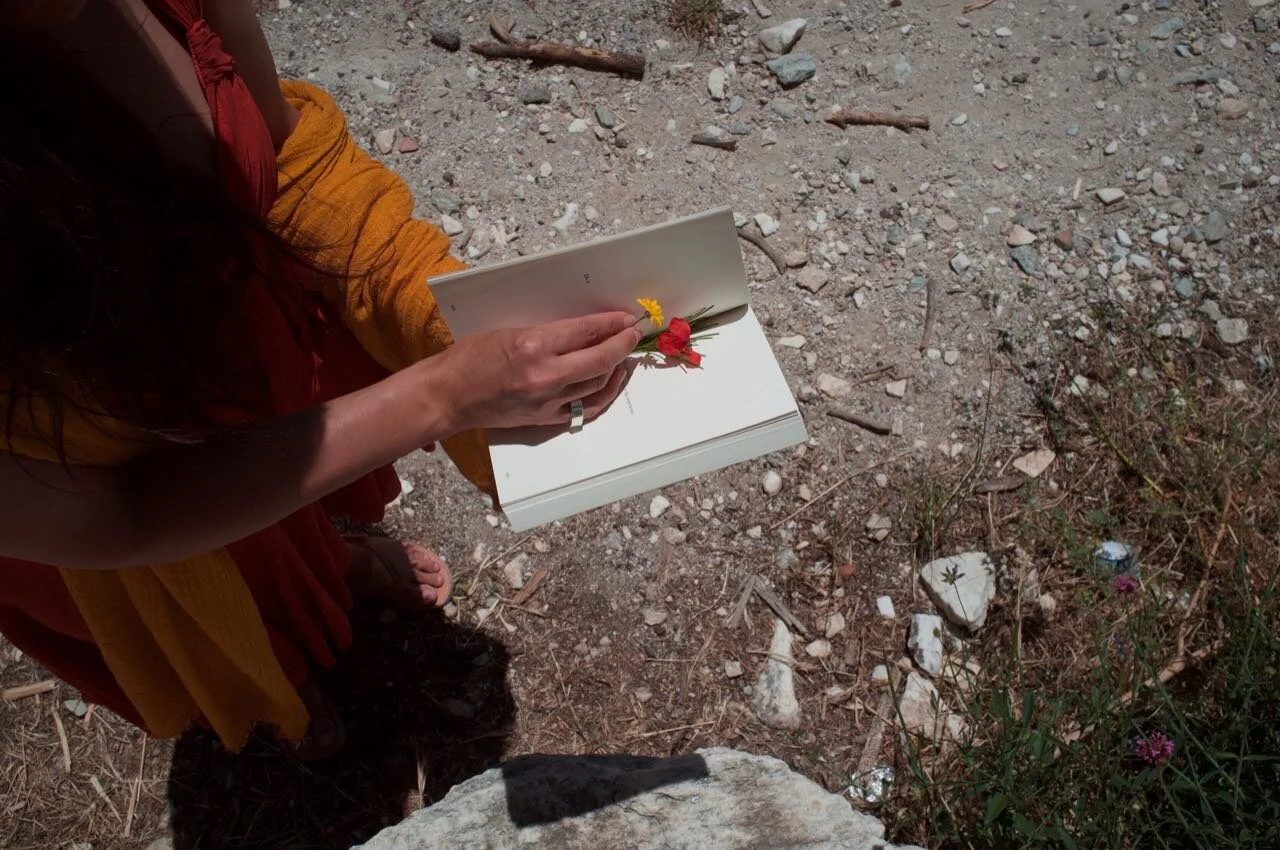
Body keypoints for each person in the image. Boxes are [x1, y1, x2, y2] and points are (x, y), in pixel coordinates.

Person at [0, 0, 640, 759]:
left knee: (291, 506)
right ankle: (272, 678)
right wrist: (444, 393)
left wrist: (447, 321)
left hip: (240, 369)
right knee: (224, 611)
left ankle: (328, 568)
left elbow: (292, 161)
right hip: (89, 491)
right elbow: (121, 512)